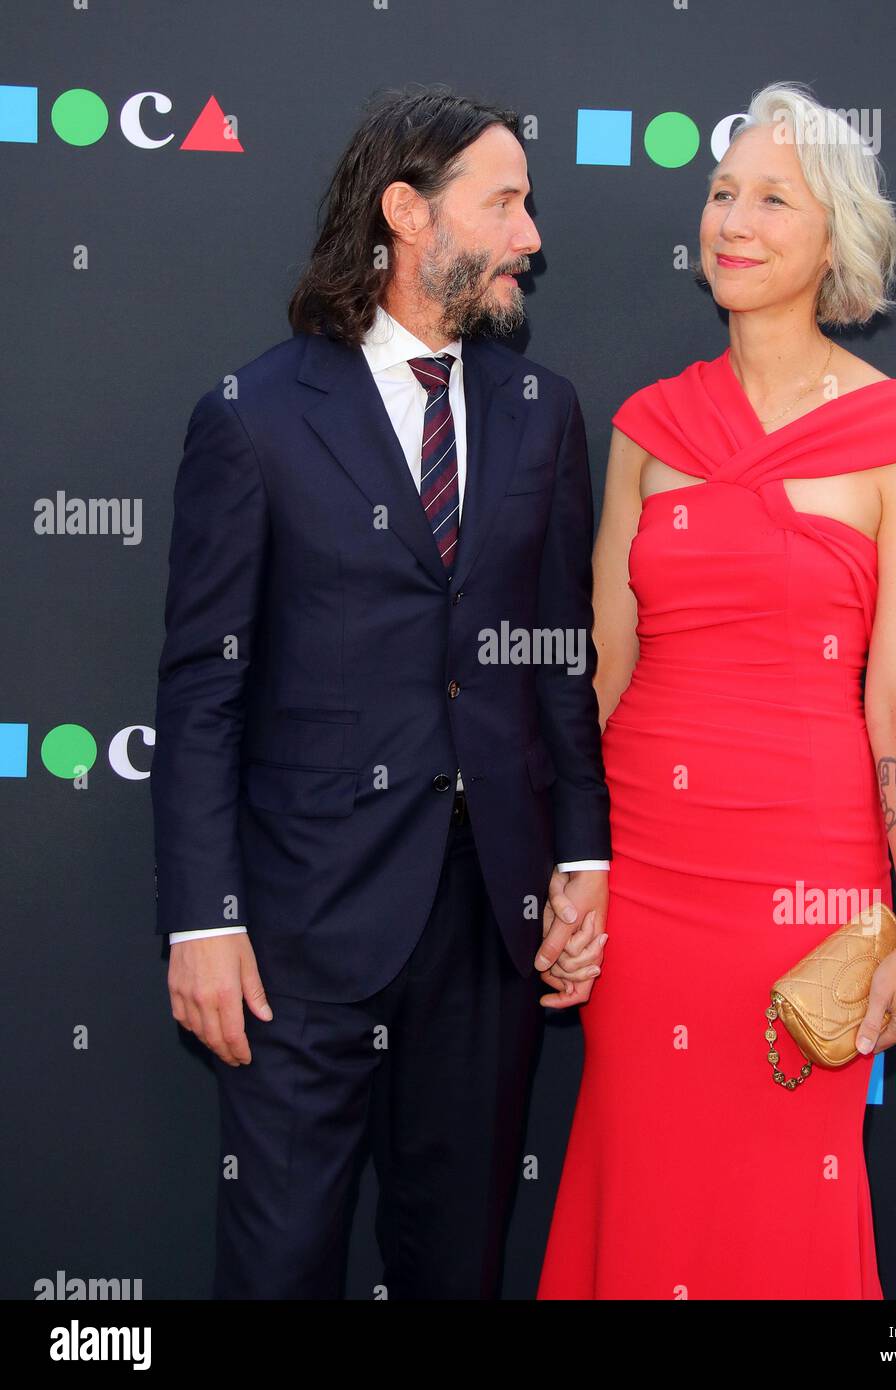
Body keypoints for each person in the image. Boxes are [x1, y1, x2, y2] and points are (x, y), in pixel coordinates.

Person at [150, 84, 611, 1300]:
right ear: (408, 212)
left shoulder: (543, 413)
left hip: (488, 920)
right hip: (299, 929)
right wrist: (201, 920)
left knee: (456, 1262)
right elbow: (201, 695)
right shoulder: (254, 419)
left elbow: (557, 652)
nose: (530, 237)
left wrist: (582, 854)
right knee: (282, 1263)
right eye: (504, 204)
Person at [537, 81, 896, 1300]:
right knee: (645, 1174)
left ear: (838, 240)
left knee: (783, 1198)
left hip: (808, 889)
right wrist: (571, 865)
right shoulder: (650, 425)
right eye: (724, 192)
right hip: (645, 877)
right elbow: (602, 670)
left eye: (775, 198)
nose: (734, 220)